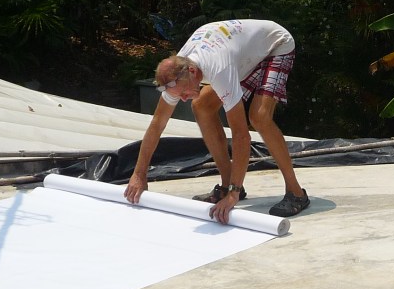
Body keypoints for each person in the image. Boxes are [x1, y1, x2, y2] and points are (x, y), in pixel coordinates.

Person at [124, 19, 311, 222]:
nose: (183, 99)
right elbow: (157, 124)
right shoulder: (179, 73)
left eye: (185, 92)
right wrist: (139, 174)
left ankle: (296, 193)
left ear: (193, 72)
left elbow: (241, 135)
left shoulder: (219, 69)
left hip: (275, 46)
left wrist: (234, 195)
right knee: (201, 106)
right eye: (180, 95)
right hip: (241, 55)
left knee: (259, 117)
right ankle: (227, 183)